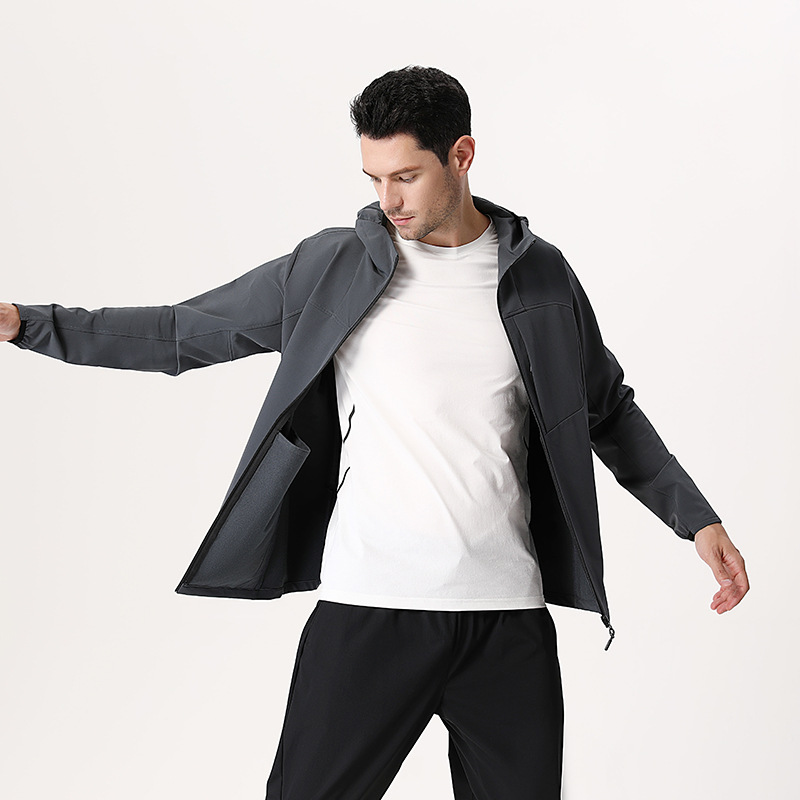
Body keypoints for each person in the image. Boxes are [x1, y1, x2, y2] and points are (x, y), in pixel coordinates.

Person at [0, 65, 749, 799]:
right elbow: (180, 333)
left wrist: (696, 518)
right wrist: (26, 325)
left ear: (462, 155)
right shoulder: (333, 267)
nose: (388, 199)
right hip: (370, 609)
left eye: (406, 177)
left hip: (506, 620)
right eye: (374, 178)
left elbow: (606, 408)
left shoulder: (540, 276)